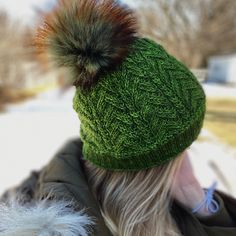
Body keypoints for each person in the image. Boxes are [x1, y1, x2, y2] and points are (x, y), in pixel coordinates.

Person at [1, 0, 236, 235]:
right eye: (182, 147)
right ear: (152, 164)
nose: (186, 156)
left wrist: (197, 200)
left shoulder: (164, 202)